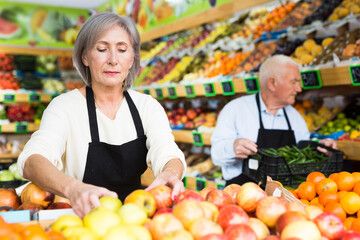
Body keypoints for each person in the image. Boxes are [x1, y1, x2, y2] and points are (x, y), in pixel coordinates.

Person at [17, 12, 186, 218]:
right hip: (78, 221)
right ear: (85, 57)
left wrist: (169, 172)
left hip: (135, 219)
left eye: (122, 50)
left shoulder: (147, 107)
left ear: (132, 58)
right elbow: (32, 160)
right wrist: (73, 189)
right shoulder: (64, 107)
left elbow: (168, 151)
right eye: (102, 49)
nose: (113, 60)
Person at [211, 54, 336, 186]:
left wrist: (320, 148)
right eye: (294, 82)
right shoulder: (236, 109)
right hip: (242, 196)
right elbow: (216, 155)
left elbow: (303, 156)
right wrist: (232, 147)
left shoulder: (295, 117)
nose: (299, 88)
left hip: (285, 197)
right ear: (272, 83)